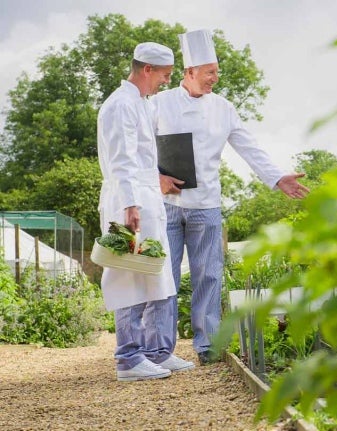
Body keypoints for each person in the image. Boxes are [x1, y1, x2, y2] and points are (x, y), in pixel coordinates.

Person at [152, 29, 309, 365]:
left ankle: (207, 345)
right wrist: (157, 177)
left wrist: (277, 177)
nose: (215, 78)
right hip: (165, 204)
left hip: (206, 205)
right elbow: (138, 147)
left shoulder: (223, 108)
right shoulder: (158, 104)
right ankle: (160, 350)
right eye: (210, 72)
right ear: (190, 72)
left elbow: (248, 146)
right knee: (164, 274)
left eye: (217, 71)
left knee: (208, 274)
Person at [97, 42, 196, 381]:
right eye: (165, 76)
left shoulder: (139, 104)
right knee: (128, 274)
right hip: (128, 201)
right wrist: (130, 204)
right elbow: (122, 158)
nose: (166, 81)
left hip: (144, 198)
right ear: (147, 70)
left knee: (154, 272)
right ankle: (128, 358)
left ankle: (154, 353)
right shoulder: (120, 105)